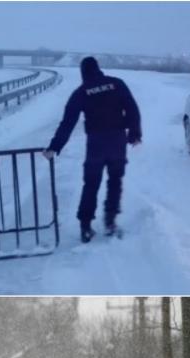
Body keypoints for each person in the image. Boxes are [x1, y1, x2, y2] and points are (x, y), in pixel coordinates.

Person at [43, 57, 142, 243]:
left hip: (96, 144)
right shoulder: (116, 84)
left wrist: (54, 147)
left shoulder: (81, 92)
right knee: (115, 181)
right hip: (117, 142)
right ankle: (110, 222)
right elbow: (132, 108)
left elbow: (68, 122)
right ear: (98, 69)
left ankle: (86, 226)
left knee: (91, 183)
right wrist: (134, 134)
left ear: (83, 73)